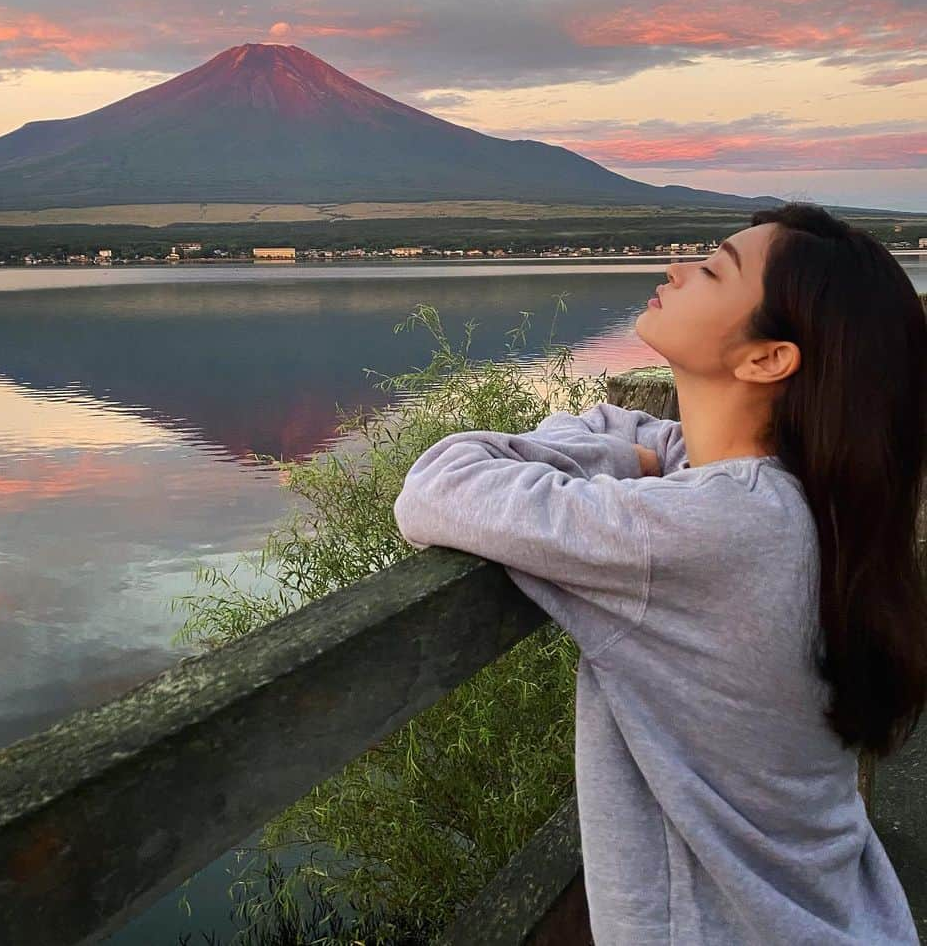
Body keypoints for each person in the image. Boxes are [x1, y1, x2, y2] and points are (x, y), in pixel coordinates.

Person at [393, 202, 926, 944]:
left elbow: (436, 488)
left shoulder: (710, 528)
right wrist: (628, 450)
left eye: (712, 270)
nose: (675, 269)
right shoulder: (800, 498)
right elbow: (628, 430)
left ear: (768, 357)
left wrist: (612, 457)